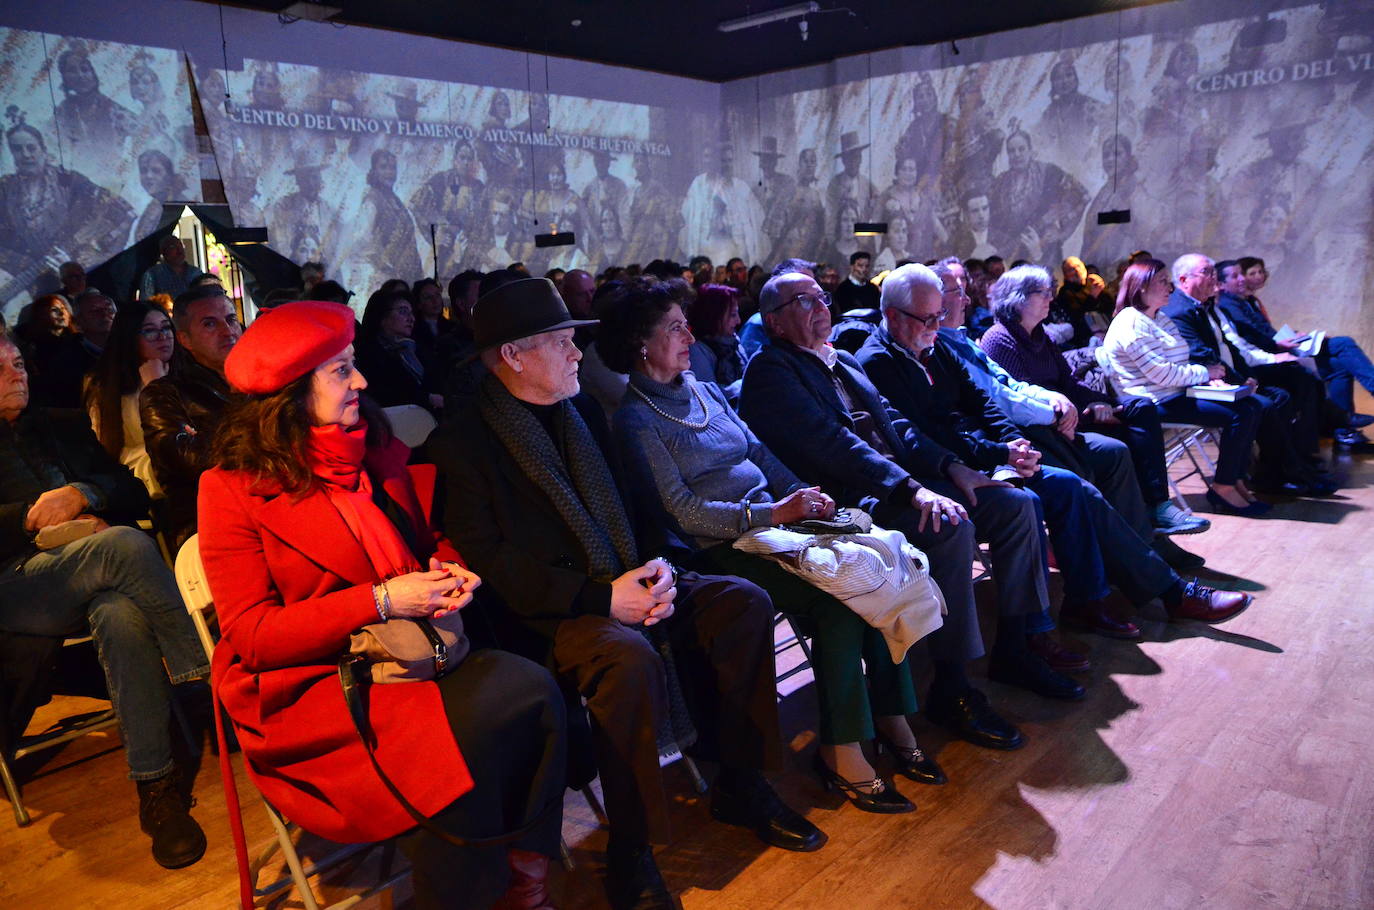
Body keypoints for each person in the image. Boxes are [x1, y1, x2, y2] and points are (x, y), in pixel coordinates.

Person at [435, 278, 824, 909]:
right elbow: (493, 564)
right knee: (629, 658)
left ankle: (739, 780)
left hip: (624, 575)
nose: (577, 355)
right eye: (563, 343)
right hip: (550, 612)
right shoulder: (465, 442)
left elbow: (637, 505)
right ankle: (632, 850)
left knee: (740, 602)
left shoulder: (582, 410)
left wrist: (659, 569)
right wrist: (601, 599)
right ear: (513, 355)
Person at [198, 301, 566, 910]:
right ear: (289, 395)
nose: (362, 382)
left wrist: (448, 568)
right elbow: (253, 636)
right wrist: (378, 599)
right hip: (317, 686)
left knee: (535, 689)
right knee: (466, 747)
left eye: (355, 366)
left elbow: (423, 541)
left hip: (414, 651)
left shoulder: (371, 450)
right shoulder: (231, 488)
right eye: (341, 372)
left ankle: (523, 887)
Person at [606, 281, 941, 813]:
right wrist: (775, 512)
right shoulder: (635, 420)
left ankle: (891, 717)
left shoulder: (703, 388)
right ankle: (842, 751)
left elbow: (758, 450)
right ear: (639, 344)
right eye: (675, 326)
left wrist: (801, 496)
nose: (691, 333)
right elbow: (681, 511)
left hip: (776, 527)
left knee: (881, 568)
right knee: (839, 603)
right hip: (722, 545)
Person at [740, 270, 1060, 740]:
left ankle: (1017, 646)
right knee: (949, 526)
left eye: (820, 297)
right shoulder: (771, 371)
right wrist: (913, 489)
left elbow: (897, 425)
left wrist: (953, 468)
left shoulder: (841, 358)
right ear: (774, 323)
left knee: (1016, 504)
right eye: (803, 301)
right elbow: (835, 446)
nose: (821, 306)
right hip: (846, 503)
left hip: (899, 485)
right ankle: (952, 689)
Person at [859, 265, 1248, 644]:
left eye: (938, 316)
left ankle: (1113, 587)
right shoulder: (877, 360)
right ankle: (1156, 593)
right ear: (892, 315)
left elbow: (984, 401)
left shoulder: (934, 344)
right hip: (950, 469)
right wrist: (1001, 451)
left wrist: (1016, 445)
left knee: (1087, 476)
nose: (934, 326)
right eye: (926, 319)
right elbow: (922, 433)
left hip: (991, 453)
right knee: (1072, 488)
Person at [0, 331, 209, 869]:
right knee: (121, 543)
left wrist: (84, 494)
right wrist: (27, 516)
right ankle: (206, 677)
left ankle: (157, 792)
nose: (16, 375)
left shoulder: (61, 423)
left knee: (118, 613)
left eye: (18, 363)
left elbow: (134, 490)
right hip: (16, 587)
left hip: (98, 572)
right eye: (0, 370)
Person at [977, 265, 1208, 539]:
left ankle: (1157, 508)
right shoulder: (1000, 338)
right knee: (1126, 443)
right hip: (1048, 426)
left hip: (1070, 413)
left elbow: (1069, 383)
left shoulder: (1041, 335)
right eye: (1044, 293)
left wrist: (1105, 402)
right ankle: (1144, 528)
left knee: (1140, 408)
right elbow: (1023, 398)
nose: (1051, 298)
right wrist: (1085, 411)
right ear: (1018, 297)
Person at [1102, 260, 1270, 516]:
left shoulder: (1158, 317)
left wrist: (1204, 379)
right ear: (1142, 286)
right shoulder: (1130, 324)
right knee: (1240, 414)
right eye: (1162, 281)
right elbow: (1163, 374)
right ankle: (1223, 487)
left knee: (1252, 405)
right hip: (1153, 402)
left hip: (1177, 393)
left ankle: (1234, 480)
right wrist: (1204, 373)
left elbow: (1180, 360)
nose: (1169, 287)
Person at [1160, 254, 1334, 498]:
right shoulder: (1180, 310)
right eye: (1207, 273)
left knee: (1281, 394)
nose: (1214, 279)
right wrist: (1240, 380)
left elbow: (1231, 348)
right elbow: (1201, 353)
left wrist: (1246, 376)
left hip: (1222, 377)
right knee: (1261, 404)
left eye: (1214, 272)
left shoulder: (1201, 305)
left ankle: (1275, 473)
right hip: (1198, 385)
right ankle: (1285, 474)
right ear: (1183, 279)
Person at [140, 285, 242, 550]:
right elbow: (189, 460)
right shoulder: (164, 394)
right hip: (207, 521)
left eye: (231, 319)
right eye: (210, 324)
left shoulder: (262, 382)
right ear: (184, 339)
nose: (227, 331)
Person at [84, 302, 174, 497]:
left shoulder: (186, 374)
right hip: (143, 485)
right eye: (150, 331)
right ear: (130, 337)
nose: (162, 336)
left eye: (166, 327)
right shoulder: (109, 387)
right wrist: (156, 389)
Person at [30, 288, 116, 408]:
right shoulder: (66, 362)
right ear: (78, 321)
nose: (104, 314)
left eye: (109, 309)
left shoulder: (136, 345)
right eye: (94, 311)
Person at [356, 288, 439, 412]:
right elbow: (385, 393)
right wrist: (427, 398)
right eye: (403, 311)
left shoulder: (416, 349)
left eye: (412, 313)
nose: (411, 318)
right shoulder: (368, 354)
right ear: (382, 316)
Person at [685, 283, 746, 405]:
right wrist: (744, 385)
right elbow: (707, 397)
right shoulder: (698, 351)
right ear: (714, 316)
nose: (738, 320)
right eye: (732, 315)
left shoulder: (733, 342)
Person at [140, 235, 204, 301]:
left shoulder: (196, 273)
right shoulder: (153, 275)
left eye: (180, 245)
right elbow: (146, 303)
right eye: (173, 247)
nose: (179, 251)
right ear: (163, 252)